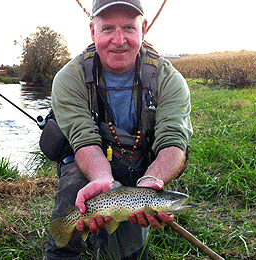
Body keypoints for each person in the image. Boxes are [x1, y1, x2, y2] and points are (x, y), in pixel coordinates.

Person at [45, 0, 193, 259]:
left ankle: (109, 241)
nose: (119, 39)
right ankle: (63, 248)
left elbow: (173, 142)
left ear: (143, 29)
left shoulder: (169, 80)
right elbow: (83, 140)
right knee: (74, 188)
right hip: (89, 164)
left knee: (129, 253)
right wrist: (103, 179)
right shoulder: (70, 78)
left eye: (128, 28)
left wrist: (151, 181)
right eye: (108, 29)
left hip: (142, 171)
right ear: (93, 31)